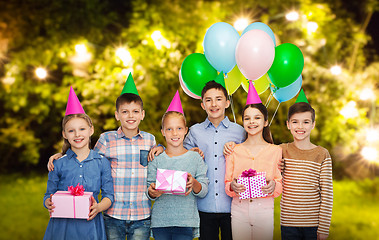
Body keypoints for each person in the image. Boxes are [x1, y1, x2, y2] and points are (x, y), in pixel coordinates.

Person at [48, 75, 160, 240]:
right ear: (117, 115)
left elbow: (158, 159)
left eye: (135, 111)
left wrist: (161, 148)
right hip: (114, 213)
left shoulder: (150, 140)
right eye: (125, 112)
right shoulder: (107, 139)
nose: (130, 116)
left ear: (142, 114)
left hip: (141, 213)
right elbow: (87, 158)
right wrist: (63, 155)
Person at [43, 87, 114, 240]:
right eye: (71, 131)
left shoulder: (102, 163)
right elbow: (48, 194)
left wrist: (99, 207)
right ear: (64, 134)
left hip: (90, 224)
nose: (77, 134)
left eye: (82, 129)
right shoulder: (58, 164)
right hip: (62, 226)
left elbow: (109, 196)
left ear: (91, 130)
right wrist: (48, 202)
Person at [183, 80, 245, 240]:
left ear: (227, 102)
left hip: (233, 205)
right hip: (204, 205)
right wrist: (190, 152)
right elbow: (178, 154)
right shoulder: (195, 131)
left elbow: (253, 155)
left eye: (218, 99)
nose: (213, 104)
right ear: (202, 105)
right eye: (208, 100)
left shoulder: (239, 132)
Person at [224, 83, 282, 240]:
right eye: (247, 118)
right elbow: (228, 182)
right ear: (243, 122)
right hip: (238, 209)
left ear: (265, 122)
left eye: (257, 118)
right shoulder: (233, 150)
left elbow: (279, 183)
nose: (252, 122)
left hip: (264, 209)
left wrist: (274, 186)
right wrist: (232, 186)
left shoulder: (275, 151)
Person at [146, 92, 209, 239]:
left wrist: (193, 183)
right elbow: (149, 190)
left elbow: (204, 190)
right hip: (161, 222)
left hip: (185, 222)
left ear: (186, 130)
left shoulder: (195, 158)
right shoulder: (156, 159)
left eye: (179, 128)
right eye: (169, 129)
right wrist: (153, 192)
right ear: (163, 132)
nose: (174, 133)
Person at [280, 101, 333, 240]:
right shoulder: (281, 150)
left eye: (306, 122)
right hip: (288, 223)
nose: (300, 127)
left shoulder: (322, 154)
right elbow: (260, 155)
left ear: (313, 125)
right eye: (295, 122)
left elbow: (327, 194)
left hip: (313, 225)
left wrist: (324, 228)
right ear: (288, 124)